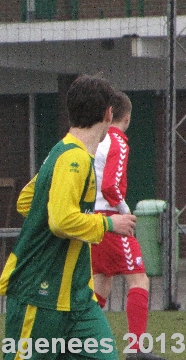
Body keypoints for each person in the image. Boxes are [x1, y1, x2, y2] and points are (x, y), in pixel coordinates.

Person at [0, 75, 137, 360]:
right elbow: (60, 221)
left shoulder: (61, 151)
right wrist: (109, 223)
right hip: (40, 291)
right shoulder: (75, 158)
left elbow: (27, 201)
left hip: (77, 297)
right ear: (109, 113)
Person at [91, 91, 165, 360]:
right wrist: (124, 213)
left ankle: (80, 343)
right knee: (139, 279)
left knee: (101, 283)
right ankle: (136, 349)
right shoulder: (117, 141)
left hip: (91, 220)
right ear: (127, 117)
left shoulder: (95, 141)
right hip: (111, 219)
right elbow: (111, 184)